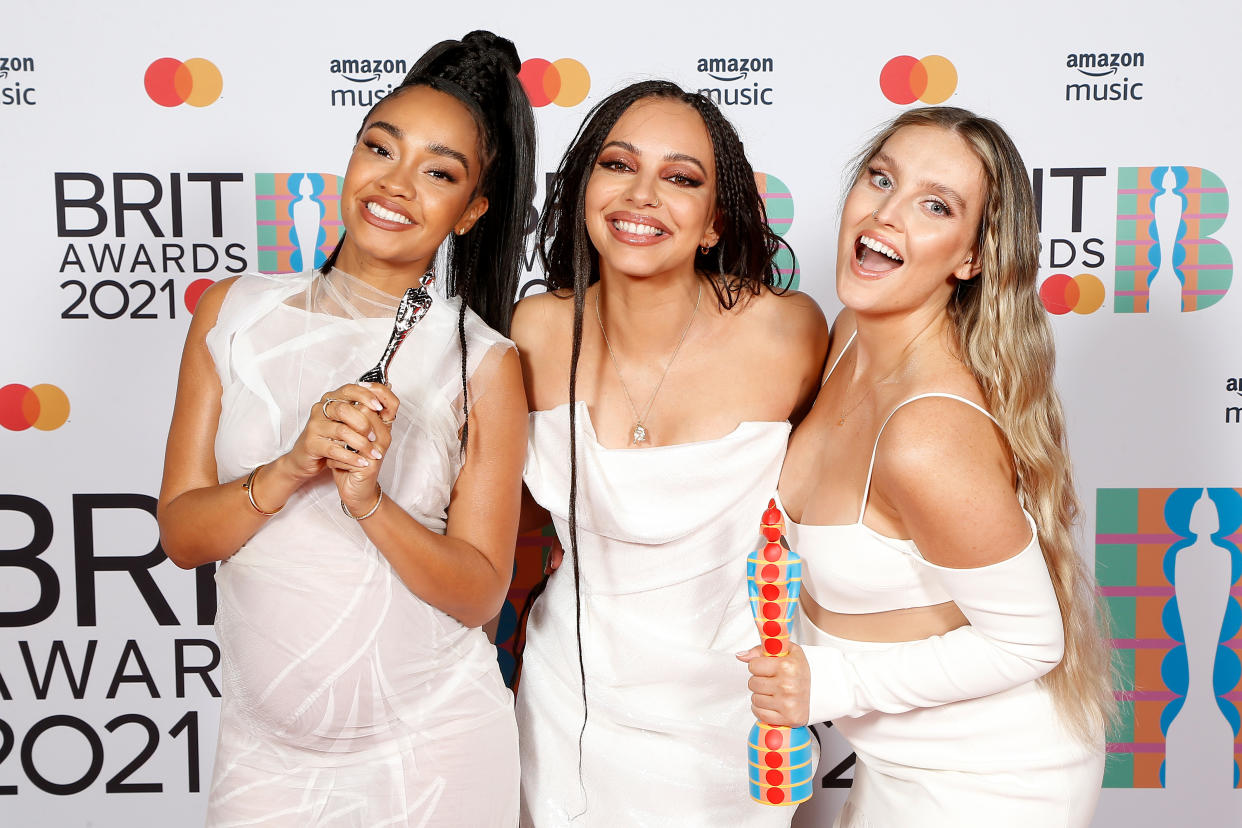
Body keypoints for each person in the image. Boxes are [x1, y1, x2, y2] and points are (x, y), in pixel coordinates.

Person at [157, 31, 535, 826]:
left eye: (438, 172)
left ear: (471, 212)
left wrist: (368, 499)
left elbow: (479, 595)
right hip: (266, 756)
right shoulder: (232, 312)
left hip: (435, 750)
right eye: (380, 148)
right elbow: (186, 536)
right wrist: (294, 466)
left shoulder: (484, 363)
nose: (395, 185)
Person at [743, 107, 1110, 827]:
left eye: (934, 205)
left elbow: (1030, 642)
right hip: (895, 755)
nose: (886, 214)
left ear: (970, 258)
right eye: (881, 178)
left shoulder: (926, 433)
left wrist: (828, 682)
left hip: (994, 776)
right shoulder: (851, 333)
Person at [512, 80, 829, 826]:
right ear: (584, 186)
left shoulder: (787, 333)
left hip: (733, 719)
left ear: (714, 224)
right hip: (567, 711)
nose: (643, 194)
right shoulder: (533, 331)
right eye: (619, 165)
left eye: (680, 178)